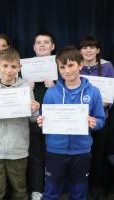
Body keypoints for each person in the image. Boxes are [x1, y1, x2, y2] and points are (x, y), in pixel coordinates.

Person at [37, 46, 106, 200]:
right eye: (62, 67)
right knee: (51, 192)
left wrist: (95, 123)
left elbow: (101, 119)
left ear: (80, 65)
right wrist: (41, 120)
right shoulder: (52, 92)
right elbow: (43, 116)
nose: (67, 71)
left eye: (71, 65)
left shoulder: (93, 92)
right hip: (55, 151)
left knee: (79, 192)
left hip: (81, 151)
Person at [0, 48, 40, 200]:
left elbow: (33, 119)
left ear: (19, 68)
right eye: (5, 66)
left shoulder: (25, 88)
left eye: (13, 67)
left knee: (20, 189)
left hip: (18, 148)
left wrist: (35, 110)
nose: (9, 70)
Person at [79, 36, 114, 199]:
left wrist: (107, 102)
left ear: (98, 50)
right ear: (80, 51)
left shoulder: (107, 66)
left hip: (100, 118)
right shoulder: (75, 66)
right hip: (78, 120)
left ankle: (96, 187)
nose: (88, 50)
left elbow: (111, 92)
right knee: (81, 155)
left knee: (98, 155)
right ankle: (80, 187)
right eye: (85, 47)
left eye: (91, 47)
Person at [27, 31, 55, 200]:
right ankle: (37, 190)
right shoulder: (26, 68)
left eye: (46, 42)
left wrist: (54, 85)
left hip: (56, 120)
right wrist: (26, 87)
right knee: (36, 158)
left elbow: (70, 93)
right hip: (33, 119)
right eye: (39, 42)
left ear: (52, 46)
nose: (42, 45)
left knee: (53, 157)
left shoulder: (61, 66)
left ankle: (52, 190)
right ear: (34, 47)